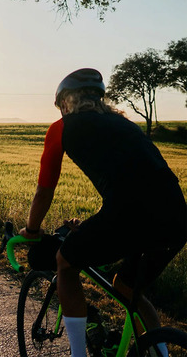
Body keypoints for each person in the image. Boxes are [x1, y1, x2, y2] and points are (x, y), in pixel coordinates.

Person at [20, 68, 186, 357]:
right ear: (98, 98)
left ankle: (77, 355)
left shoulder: (62, 128)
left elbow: (44, 191)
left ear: (64, 102)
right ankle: (162, 353)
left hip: (128, 215)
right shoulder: (126, 125)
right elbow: (133, 181)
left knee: (65, 262)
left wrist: (32, 230)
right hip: (176, 218)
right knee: (126, 287)